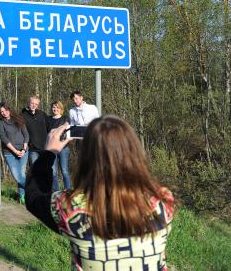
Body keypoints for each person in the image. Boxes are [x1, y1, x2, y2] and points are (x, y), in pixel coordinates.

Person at [26, 115, 175, 270]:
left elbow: (33, 197)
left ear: (86, 159)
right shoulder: (163, 200)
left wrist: (49, 153)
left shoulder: (70, 208)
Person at [0, 102, 29, 204]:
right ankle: (35, 190)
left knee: (21, 174)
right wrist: (15, 151)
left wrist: (24, 149)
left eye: (5, 110)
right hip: (9, 152)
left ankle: (22, 197)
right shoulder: (1, 123)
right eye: (1, 112)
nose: (4, 113)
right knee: (17, 175)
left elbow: (26, 135)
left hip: (23, 151)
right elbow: (4, 138)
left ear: (9, 109)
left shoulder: (19, 119)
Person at [47, 101, 71, 191]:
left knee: (64, 171)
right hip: (52, 148)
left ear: (61, 109)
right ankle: (56, 192)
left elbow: (69, 132)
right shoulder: (48, 119)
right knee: (53, 172)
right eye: (54, 107)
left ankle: (68, 191)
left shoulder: (66, 119)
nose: (55, 109)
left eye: (57, 107)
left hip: (63, 148)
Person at [22, 95, 49, 167]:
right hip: (32, 149)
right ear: (29, 102)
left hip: (45, 147)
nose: (34, 105)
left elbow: (49, 127)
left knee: (45, 170)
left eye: (36, 104)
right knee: (34, 170)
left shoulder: (42, 114)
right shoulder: (23, 115)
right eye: (32, 103)